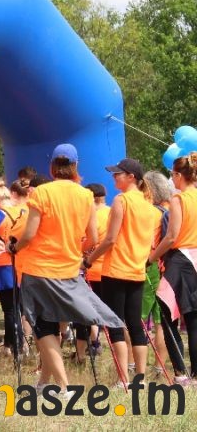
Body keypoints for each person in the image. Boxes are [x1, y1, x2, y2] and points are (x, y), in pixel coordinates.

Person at [11, 143, 123, 396]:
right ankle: (43, 383)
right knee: (53, 324)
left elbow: (29, 233)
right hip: (69, 270)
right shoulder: (85, 195)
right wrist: (73, 248)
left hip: (39, 269)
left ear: (52, 166)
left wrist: (15, 247)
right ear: (75, 166)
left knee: (44, 328)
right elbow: (93, 238)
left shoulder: (42, 192)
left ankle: (64, 386)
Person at [84, 158, 159, 386]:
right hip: (137, 271)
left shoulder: (121, 200)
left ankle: (123, 379)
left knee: (115, 324)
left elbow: (110, 239)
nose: (114, 177)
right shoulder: (148, 205)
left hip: (116, 270)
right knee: (135, 324)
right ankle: (140, 379)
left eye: (118, 174)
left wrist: (89, 260)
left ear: (131, 177)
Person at [150, 152, 197, 381]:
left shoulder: (179, 199)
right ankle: (195, 374)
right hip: (195, 258)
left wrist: (151, 257)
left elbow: (171, 236)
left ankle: (180, 372)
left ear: (178, 175)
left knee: (167, 315)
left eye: (172, 174)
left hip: (180, 258)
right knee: (194, 318)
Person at [0, 181, 27, 359]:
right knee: (18, 307)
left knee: (10, 310)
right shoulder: (21, 212)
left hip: (4, 264)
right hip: (21, 263)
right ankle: (11, 344)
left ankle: (17, 346)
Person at [73, 183, 110, 362]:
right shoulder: (112, 213)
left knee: (83, 314)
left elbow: (84, 240)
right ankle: (95, 341)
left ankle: (80, 354)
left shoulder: (89, 216)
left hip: (89, 270)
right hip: (109, 270)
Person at [142, 171, 172, 379]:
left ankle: (135, 365)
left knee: (138, 318)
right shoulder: (172, 211)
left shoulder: (149, 213)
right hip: (169, 267)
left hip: (149, 265)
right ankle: (160, 367)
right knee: (162, 320)